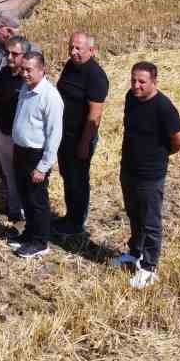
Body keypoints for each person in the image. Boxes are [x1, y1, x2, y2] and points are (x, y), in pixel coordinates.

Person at [114, 61, 180, 289]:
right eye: (133, 80)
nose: (136, 85)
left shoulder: (164, 108)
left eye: (142, 82)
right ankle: (135, 253)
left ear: (154, 82)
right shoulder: (130, 98)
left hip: (151, 174)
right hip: (129, 168)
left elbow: (178, 142)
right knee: (134, 214)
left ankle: (149, 267)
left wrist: (157, 157)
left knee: (150, 221)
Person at [9, 51, 64, 259]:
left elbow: (54, 134)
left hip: (36, 154)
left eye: (29, 70)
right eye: (22, 69)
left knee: (37, 199)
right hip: (20, 151)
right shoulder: (25, 88)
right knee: (25, 195)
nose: (24, 73)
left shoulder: (50, 97)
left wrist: (43, 165)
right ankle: (29, 234)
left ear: (42, 70)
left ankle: (40, 242)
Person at [54, 32, 109, 238]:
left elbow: (95, 114)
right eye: (71, 47)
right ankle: (70, 216)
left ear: (91, 51)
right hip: (64, 134)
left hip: (80, 137)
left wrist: (85, 143)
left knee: (78, 179)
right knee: (67, 175)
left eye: (78, 48)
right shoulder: (70, 66)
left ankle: (77, 223)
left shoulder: (96, 76)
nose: (73, 52)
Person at [0, 35, 38, 223]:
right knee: (8, 173)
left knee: (22, 175)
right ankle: (14, 209)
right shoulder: (4, 73)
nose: (10, 57)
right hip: (2, 131)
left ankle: (27, 213)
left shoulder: (30, 81)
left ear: (25, 55)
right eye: (7, 53)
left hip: (21, 138)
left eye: (15, 54)